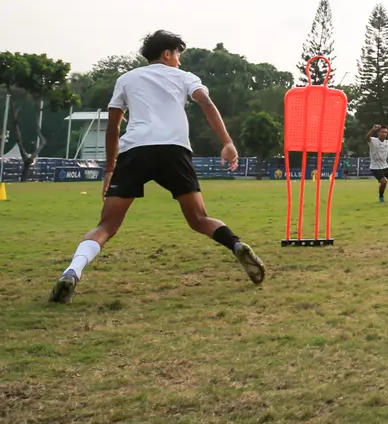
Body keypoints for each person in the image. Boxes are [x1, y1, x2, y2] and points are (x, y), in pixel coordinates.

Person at [49, 30, 265, 303]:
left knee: (106, 225)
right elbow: (206, 103)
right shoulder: (186, 78)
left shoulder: (126, 79)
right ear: (168, 54)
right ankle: (236, 244)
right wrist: (227, 143)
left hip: (135, 150)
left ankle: (72, 272)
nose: (180, 62)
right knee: (199, 219)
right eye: (179, 55)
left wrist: (109, 170)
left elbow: (114, 126)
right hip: (174, 150)